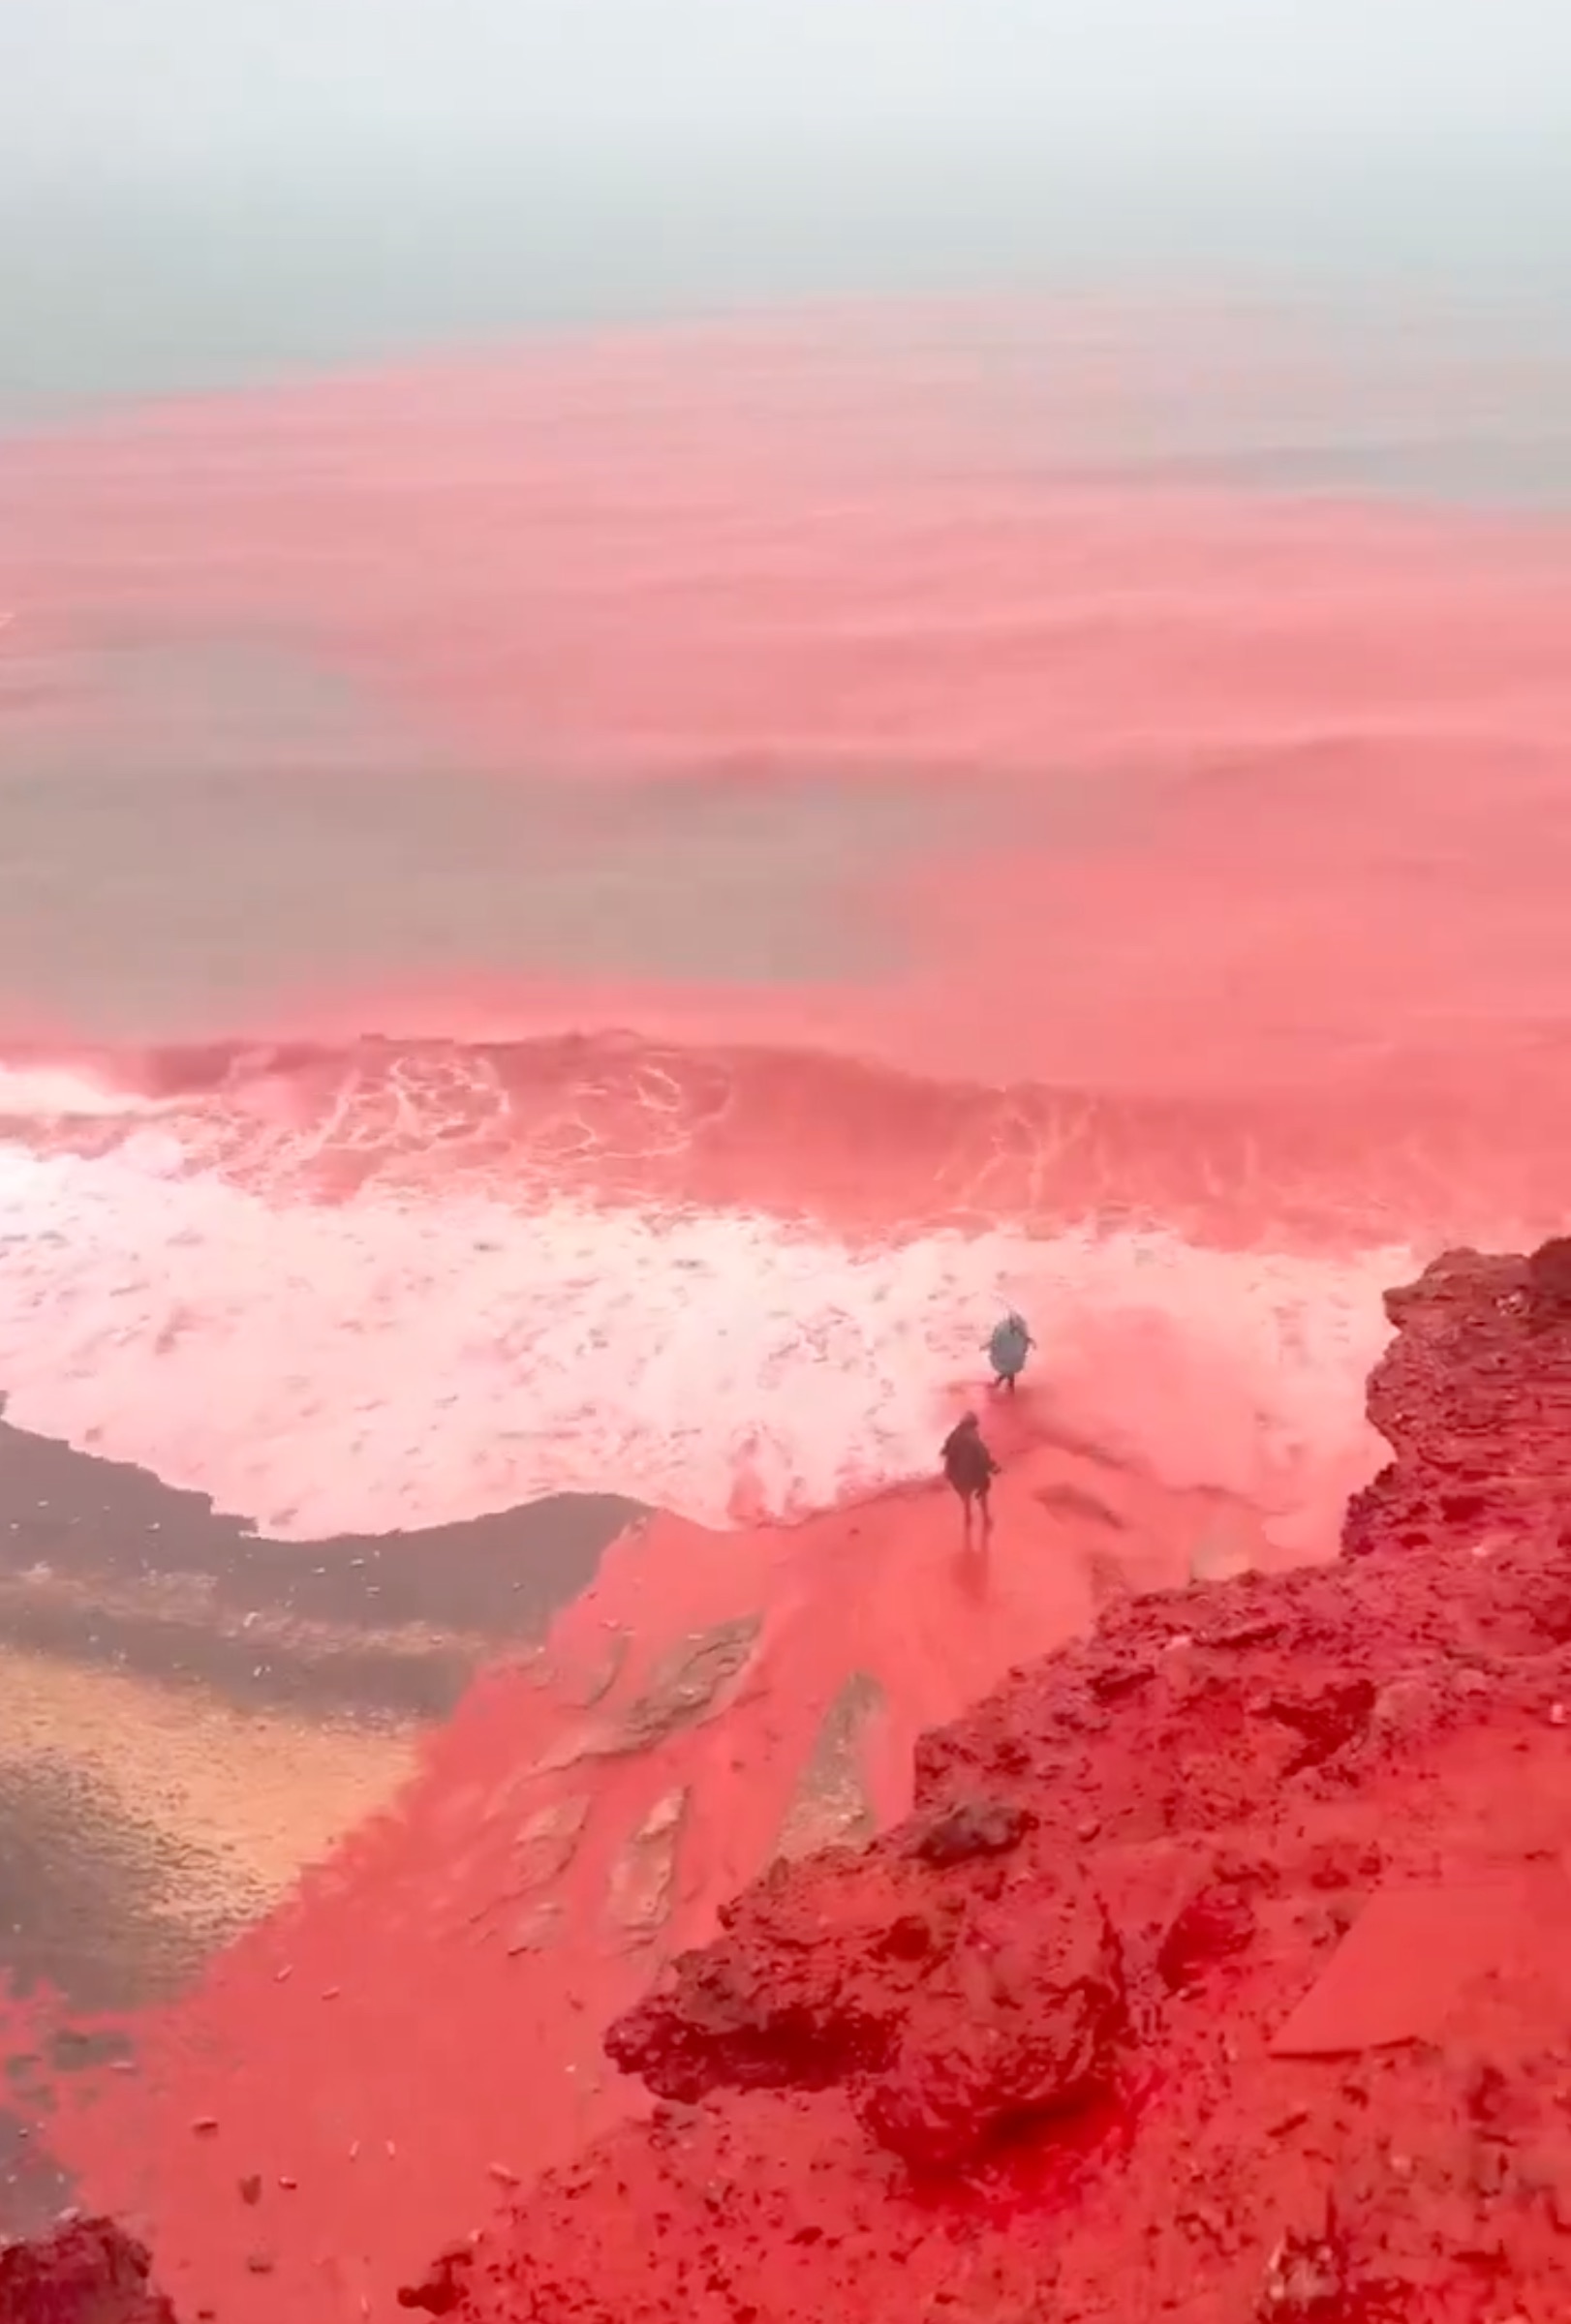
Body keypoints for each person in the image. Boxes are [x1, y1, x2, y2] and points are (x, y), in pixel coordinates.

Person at [940, 1411, 999, 1544]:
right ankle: (985, 1517)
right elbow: (983, 1455)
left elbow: (944, 1451)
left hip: (957, 1474)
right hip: (973, 1472)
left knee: (966, 1494)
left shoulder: (954, 1435)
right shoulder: (973, 1437)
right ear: (973, 1425)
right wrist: (993, 1467)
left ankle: (968, 1515)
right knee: (983, 1491)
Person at [985, 1309, 1034, 1395]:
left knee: (1009, 1372)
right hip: (1007, 1355)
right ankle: (1004, 1385)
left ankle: (1002, 1384)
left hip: (1013, 1356)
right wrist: (989, 1346)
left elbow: (1025, 1338)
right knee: (1009, 1372)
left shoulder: (1020, 1330)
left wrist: (1030, 1342)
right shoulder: (1003, 1329)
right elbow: (996, 1339)